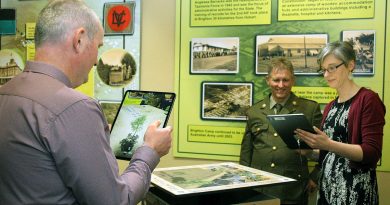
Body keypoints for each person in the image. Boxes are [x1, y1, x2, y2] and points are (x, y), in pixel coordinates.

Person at [0, 1, 172, 205]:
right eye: (98, 46)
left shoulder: (6, 93)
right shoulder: (76, 107)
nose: (96, 61)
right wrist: (150, 151)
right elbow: (116, 201)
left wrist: (95, 134)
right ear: (79, 39)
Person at [295, 41, 386, 205]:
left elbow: (371, 152)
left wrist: (328, 144)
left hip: (354, 191)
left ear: (350, 65)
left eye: (332, 68)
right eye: (323, 70)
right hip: (327, 189)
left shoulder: (368, 100)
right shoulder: (331, 105)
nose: (326, 75)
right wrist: (310, 152)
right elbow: (331, 154)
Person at [240, 57, 323, 204]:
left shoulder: (309, 109)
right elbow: (247, 151)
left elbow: (325, 150)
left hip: (293, 189)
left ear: (293, 80)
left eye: (285, 80)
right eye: (276, 80)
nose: (281, 85)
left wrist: (315, 176)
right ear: (268, 80)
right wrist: (244, 182)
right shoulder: (254, 111)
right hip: (259, 189)